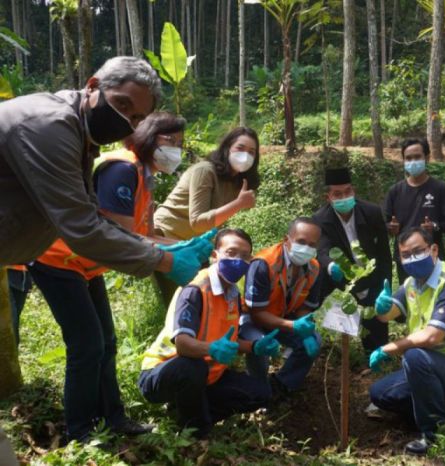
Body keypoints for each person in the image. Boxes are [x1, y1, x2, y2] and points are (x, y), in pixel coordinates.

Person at [26, 112, 207, 443]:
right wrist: (168, 259)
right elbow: (118, 237)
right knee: (87, 347)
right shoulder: (122, 169)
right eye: (170, 141)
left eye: (181, 143)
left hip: (88, 264)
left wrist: (184, 245)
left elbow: (144, 234)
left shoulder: (144, 176)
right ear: (149, 137)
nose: (176, 150)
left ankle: (114, 418)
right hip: (59, 258)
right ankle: (79, 430)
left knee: (106, 343)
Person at [0, 56, 202, 286]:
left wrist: (163, 249)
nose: (126, 119)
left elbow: (94, 215)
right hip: (57, 262)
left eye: (137, 118)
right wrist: (164, 260)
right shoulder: (49, 126)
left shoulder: (82, 134)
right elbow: (82, 226)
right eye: (122, 104)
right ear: (93, 85)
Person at [368, 227, 445, 455]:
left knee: (415, 355)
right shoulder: (412, 284)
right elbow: (390, 313)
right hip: (437, 368)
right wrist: (382, 308)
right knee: (380, 394)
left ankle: (436, 433)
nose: (411, 258)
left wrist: (388, 349)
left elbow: (431, 337)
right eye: (405, 255)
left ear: (434, 249)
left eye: (418, 251)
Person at [140, 229, 278, 438]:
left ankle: (189, 410)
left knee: (261, 393)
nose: (237, 261)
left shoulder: (232, 293)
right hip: (164, 371)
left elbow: (229, 341)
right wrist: (211, 349)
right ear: (214, 256)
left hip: (205, 374)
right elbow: (183, 345)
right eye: (231, 253)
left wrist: (254, 347)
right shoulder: (195, 290)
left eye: (244, 256)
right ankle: (195, 429)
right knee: (191, 366)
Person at [153, 127, 261, 304]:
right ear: (227, 148)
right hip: (167, 239)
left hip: (195, 244)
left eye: (251, 152)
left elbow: (215, 220)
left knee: (207, 296)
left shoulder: (236, 182)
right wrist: (238, 204)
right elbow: (198, 221)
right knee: (182, 301)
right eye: (240, 148)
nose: (246, 155)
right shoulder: (205, 171)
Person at [312, 167, 392, 357]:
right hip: (338, 277)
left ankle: (376, 357)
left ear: (353, 191)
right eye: (337, 194)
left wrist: (385, 284)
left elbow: (383, 253)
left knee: (375, 320)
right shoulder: (320, 219)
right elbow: (322, 249)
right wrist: (331, 265)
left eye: (348, 191)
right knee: (313, 299)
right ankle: (304, 338)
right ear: (328, 197)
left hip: (369, 274)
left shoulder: (372, 212)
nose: (344, 197)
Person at [240, 217, 322, 396]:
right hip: (253, 318)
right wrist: (293, 326)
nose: (306, 248)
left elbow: (304, 308)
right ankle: (257, 389)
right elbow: (257, 313)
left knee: (314, 341)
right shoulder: (264, 264)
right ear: (287, 240)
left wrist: (304, 329)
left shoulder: (314, 268)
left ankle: (281, 385)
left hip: (285, 315)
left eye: (312, 244)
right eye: (301, 242)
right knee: (259, 347)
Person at [384, 138, 445, 283]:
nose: (412, 161)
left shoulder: (439, 188)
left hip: (432, 256)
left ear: (427, 158)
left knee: (438, 299)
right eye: (408, 158)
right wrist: (391, 229)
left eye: (417, 157)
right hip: (406, 258)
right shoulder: (395, 191)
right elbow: (385, 224)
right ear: (403, 160)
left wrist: (434, 227)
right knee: (410, 300)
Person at [7, 265, 32, 345]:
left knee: (15, 320)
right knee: (11, 322)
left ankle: (13, 354)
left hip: (23, 277)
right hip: (5, 272)